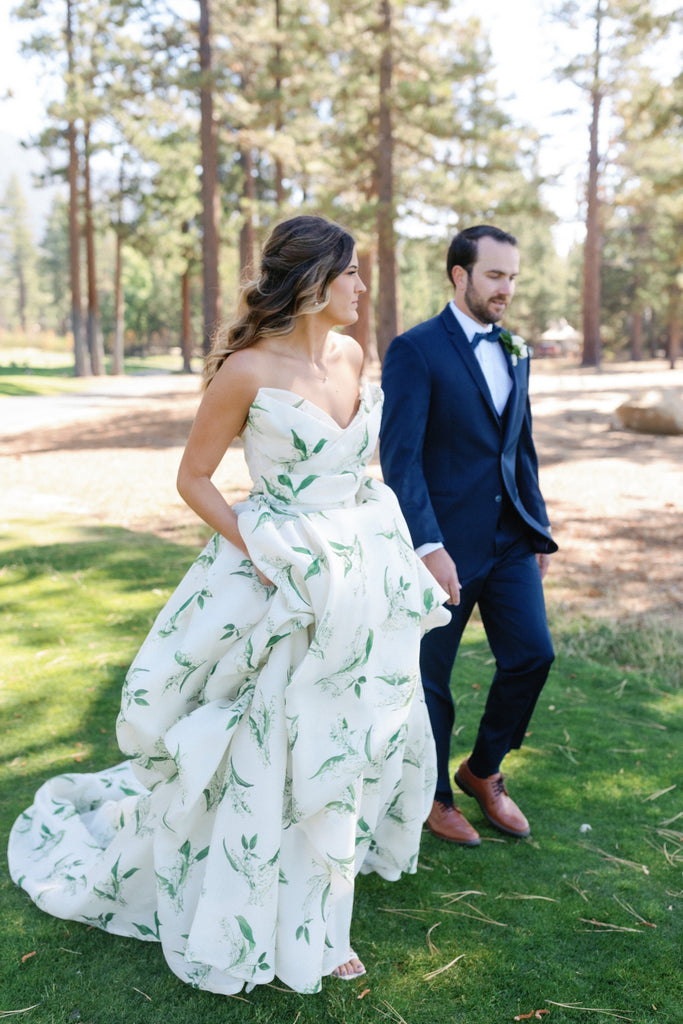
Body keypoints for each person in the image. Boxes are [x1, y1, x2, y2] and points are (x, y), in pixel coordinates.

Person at [8, 215, 449, 995]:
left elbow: (356, 473)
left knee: (344, 743)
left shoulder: (351, 354)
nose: (361, 287)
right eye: (349, 273)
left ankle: (321, 914)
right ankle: (268, 910)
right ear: (313, 282)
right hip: (276, 583)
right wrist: (265, 551)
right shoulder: (246, 371)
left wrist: (389, 552)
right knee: (274, 748)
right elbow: (194, 479)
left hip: (358, 581)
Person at [379, 224, 557, 847]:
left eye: (512, 276)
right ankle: (433, 796)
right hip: (442, 549)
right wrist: (428, 547)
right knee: (433, 677)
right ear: (460, 276)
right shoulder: (415, 349)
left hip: (511, 540)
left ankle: (483, 770)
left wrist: (539, 531)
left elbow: (521, 448)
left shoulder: (517, 349)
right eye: (494, 276)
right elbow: (399, 459)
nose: (506, 288)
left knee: (534, 655)